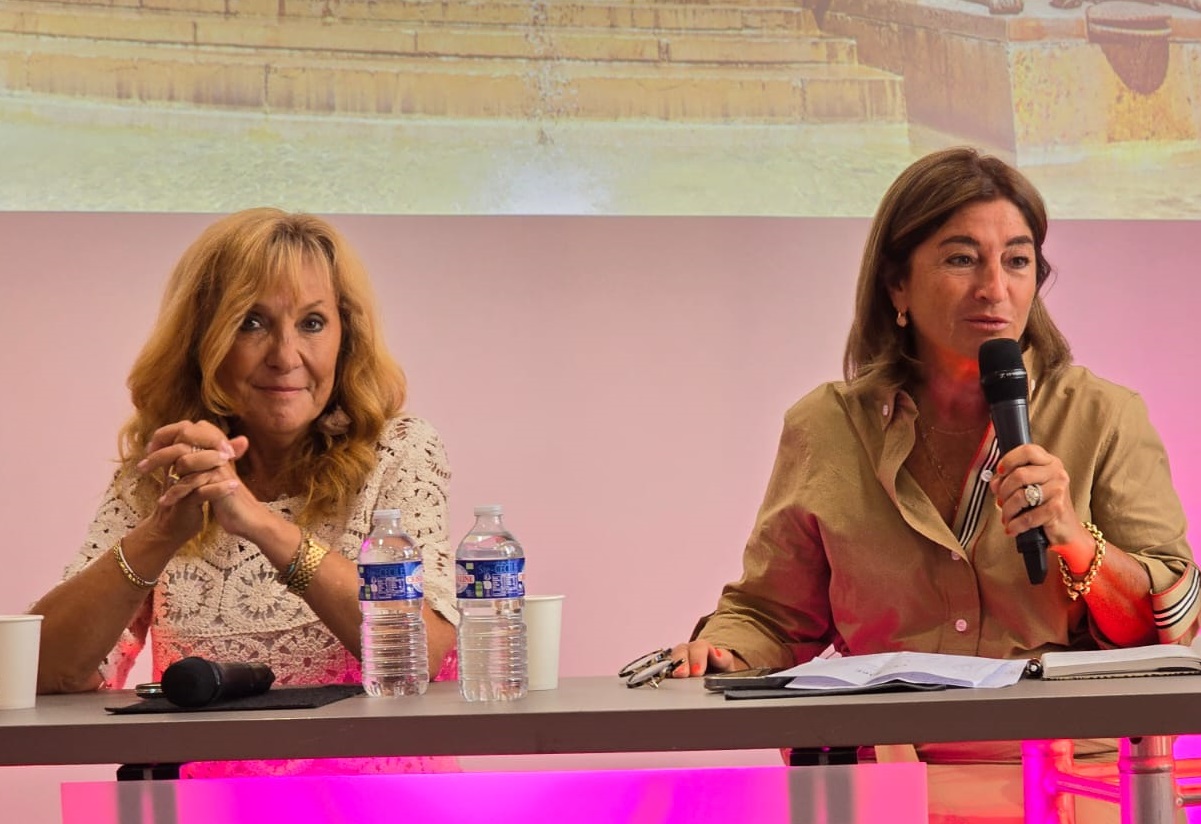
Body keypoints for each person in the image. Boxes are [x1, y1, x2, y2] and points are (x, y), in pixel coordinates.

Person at [669, 148, 1197, 820]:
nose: (993, 288)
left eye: (1015, 259)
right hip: (887, 779)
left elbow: (1168, 628)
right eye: (959, 258)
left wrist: (1072, 539)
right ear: (896, 285)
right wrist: (721, 650)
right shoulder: (829, 424)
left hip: (1073, 780)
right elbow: (774, 613)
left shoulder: (1101, 416)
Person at [31, 208, 458, 776]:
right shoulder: (165, 469)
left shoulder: (399, 449)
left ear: (344, 337)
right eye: (251, 323)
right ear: (203, 339)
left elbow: (419, 652)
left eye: (312, 323)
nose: (285, 355)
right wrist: (161, 533)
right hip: (204, 808)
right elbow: (43, 671)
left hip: (378, 805)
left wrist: (258, 523)